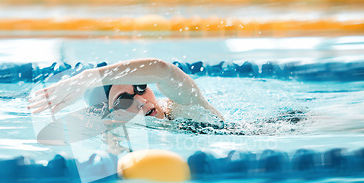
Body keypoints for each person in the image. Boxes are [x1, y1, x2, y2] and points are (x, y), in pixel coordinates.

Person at [28, 58, 225, 125]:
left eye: (141, 88)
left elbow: (164, 71)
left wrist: (87, 77)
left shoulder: (184, 107)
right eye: (123, 101)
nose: (141, 101)